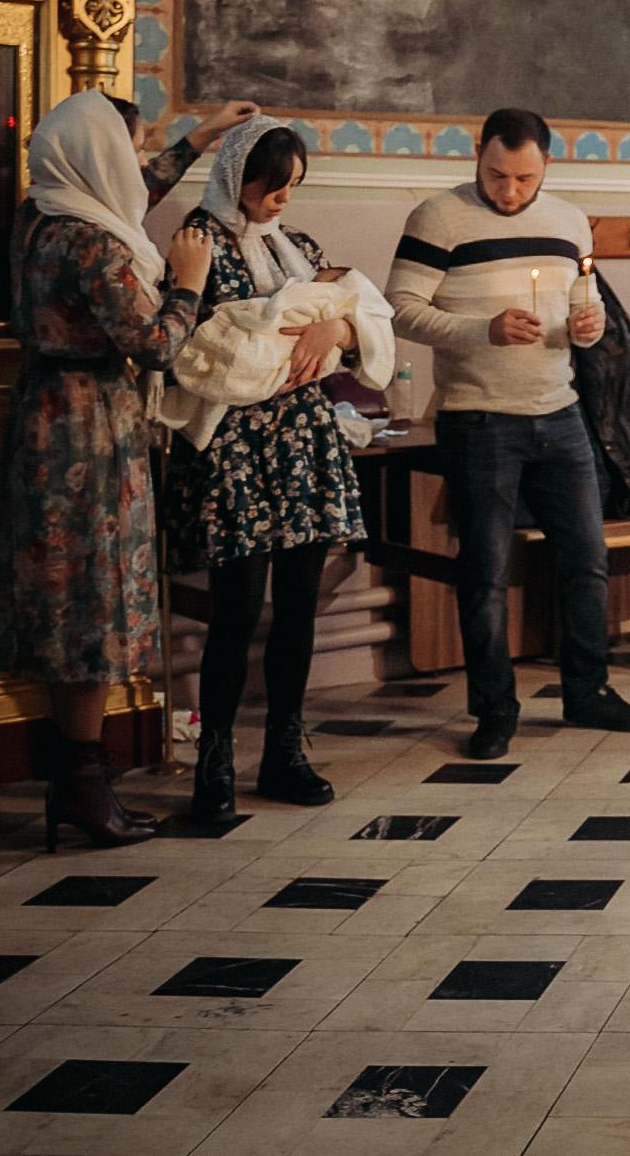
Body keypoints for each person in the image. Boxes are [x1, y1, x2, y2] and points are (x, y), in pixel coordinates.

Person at [0, 90, 259, 850]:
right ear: (101, 152)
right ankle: (83, 787)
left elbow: (128, 188)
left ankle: (76, 781)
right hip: (91, 431)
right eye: (131, 144)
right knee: (90, 603)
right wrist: (189, 281)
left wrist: (199, 137)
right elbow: (155, 344)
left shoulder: (41, 213)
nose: (136, 160)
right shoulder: (94, 244)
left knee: (65, 603)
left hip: (40, 415)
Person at [387, 107, 630, 759]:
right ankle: (494, 710)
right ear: (477, 155)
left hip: (559, 411)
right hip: (479, 418)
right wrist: (482, 329)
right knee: (485, 571)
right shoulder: (438, 217)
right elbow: (399, 309)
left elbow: (583, 301)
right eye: (497, 175)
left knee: (587, 559)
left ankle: (588, 691)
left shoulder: (569, 220)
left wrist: (587, 326)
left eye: (525, 178)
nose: (510, 191)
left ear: (547, 165)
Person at [163, 118, 369, 823]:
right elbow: (191, 340)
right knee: (237, 608)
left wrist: (337, 328)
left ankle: (284, 750)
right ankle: (214, 761)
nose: (282, 199)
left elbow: (348, 309)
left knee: (300, 602)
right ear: (236, 176)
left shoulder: (299, 247)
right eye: (271, 186)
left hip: (303, 436)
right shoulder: (198, 242)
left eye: (292, 187)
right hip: (237, 442)